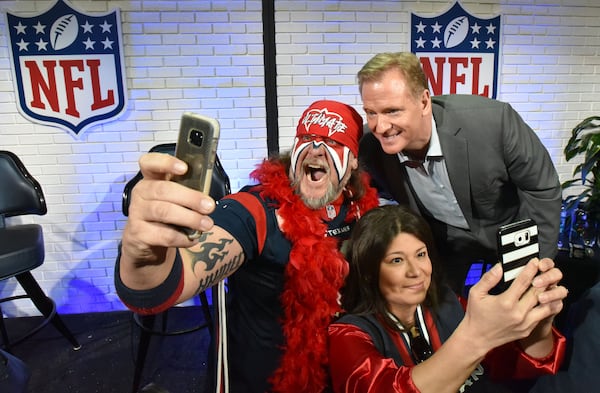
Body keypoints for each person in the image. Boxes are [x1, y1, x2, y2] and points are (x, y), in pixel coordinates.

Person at [114, 100, 380, 393]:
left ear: (354, 159)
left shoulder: (361, 208)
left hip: (347, 375)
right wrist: (145, 255)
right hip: (267, 380)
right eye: (306, 138)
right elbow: (161, 287)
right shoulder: (258, 210)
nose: (316, 149)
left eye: (332, 141)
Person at [357, 52, 562, 295]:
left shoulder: (494, 122)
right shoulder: (368, 146)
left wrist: (536, 266)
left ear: (424, 102)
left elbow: (541, 189)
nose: (380, 126)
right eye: (371, 112)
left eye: (392, 111)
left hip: (511, 236)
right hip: (444, 249)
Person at [328, 205, 568, 393]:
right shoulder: (348, 335)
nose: (416, 271)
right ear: (369, 272)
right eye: (397, 260)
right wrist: (478, 337)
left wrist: (539, 321)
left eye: (421, 255)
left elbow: (512, 365)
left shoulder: (448, 303)